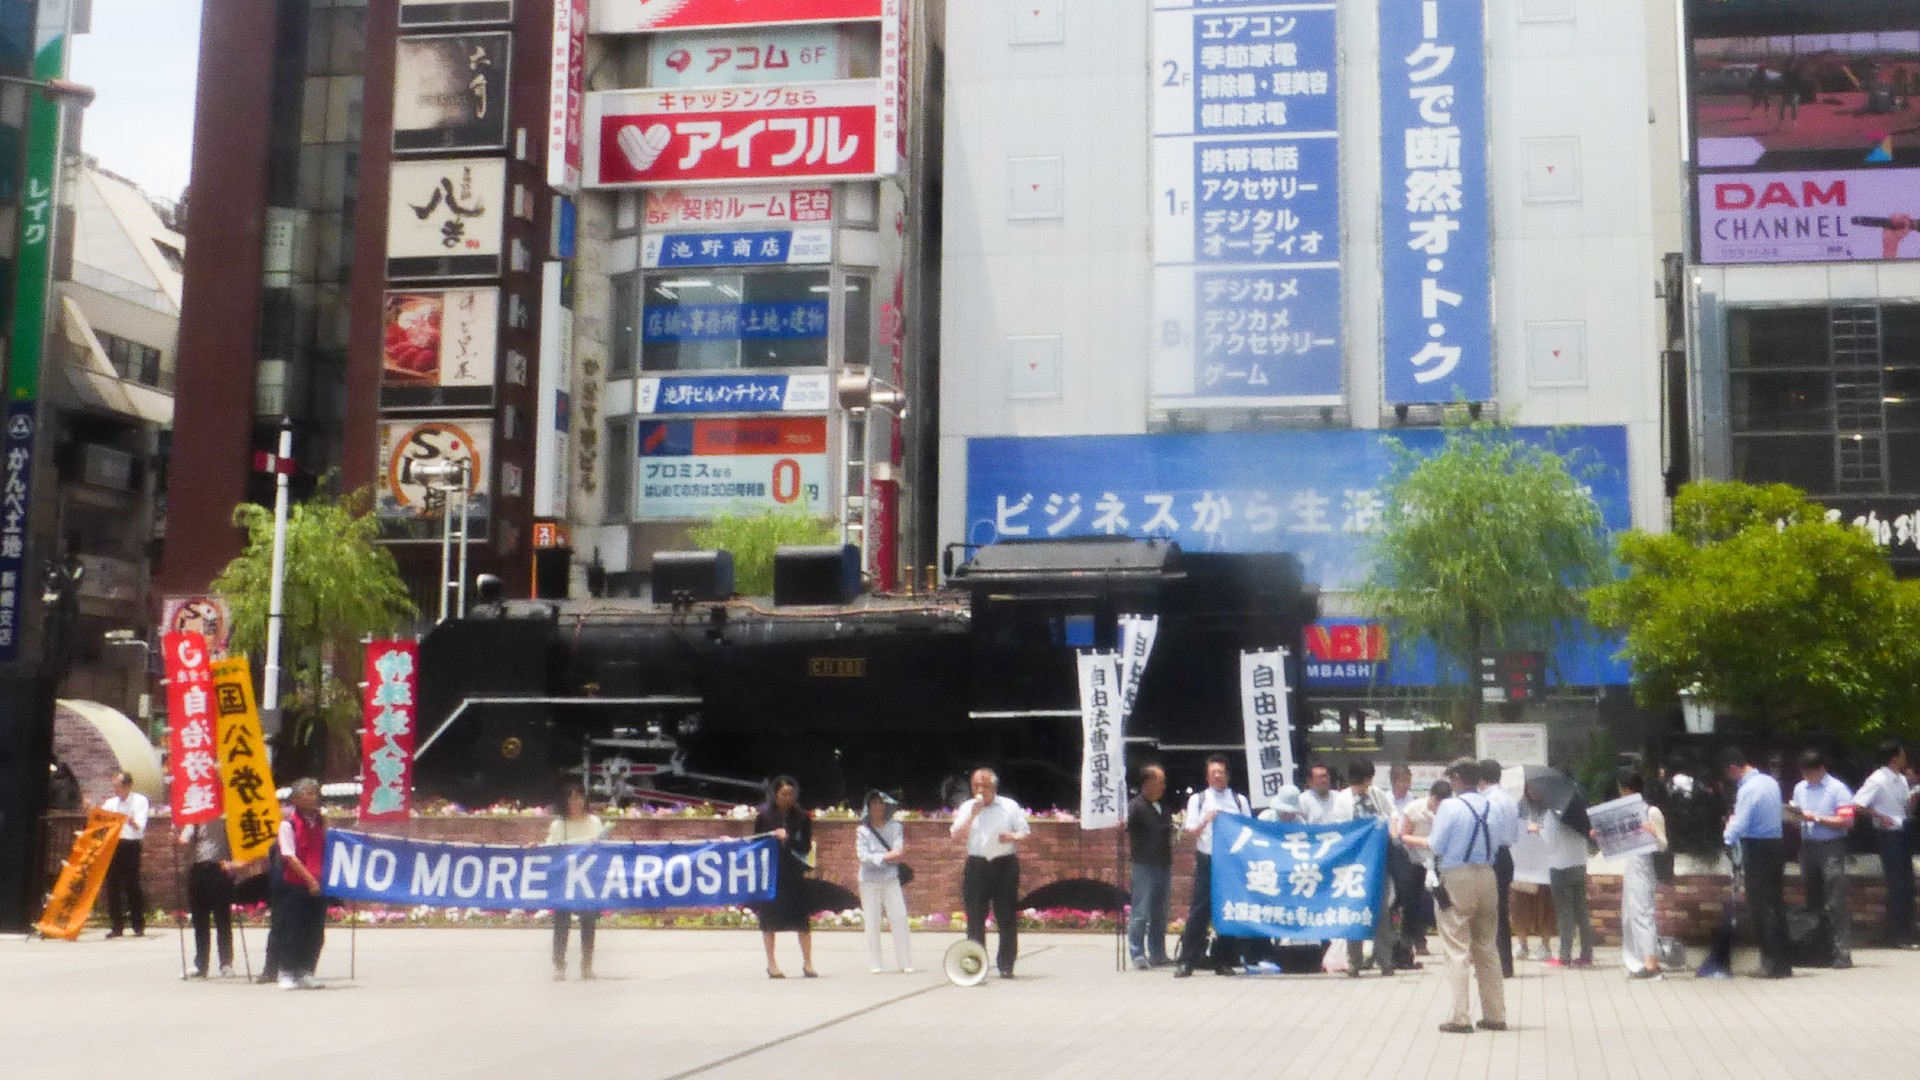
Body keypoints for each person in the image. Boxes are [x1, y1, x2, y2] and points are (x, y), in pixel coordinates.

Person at [1429, 760, 1508, 1034]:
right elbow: (1501, 841)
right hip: (1487, 873)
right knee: (1487, 946)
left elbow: (1436, 844)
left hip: (1457, 876)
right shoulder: (1492, 805)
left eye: (1451, 777)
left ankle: (1460, 1017)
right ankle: (1495, 1014)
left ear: (1459, 778)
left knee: (1456, 946)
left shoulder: (1450, 807)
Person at [1174, 754, 1251, 978]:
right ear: (1208, 777)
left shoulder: (1239, 800)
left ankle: (1223, 960)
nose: (1218, 776)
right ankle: (1186, 960)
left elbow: (1249, 830)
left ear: (1227, 774)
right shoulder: (1198, 799)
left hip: (1232, 861)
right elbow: (1190, 832)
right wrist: (1206, 819)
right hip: (1208, 858)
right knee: (1200, 910)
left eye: (1221, 772)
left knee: (1228, 910)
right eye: (1213, 772)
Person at [950, 767, 1030, 978]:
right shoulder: (968, 807)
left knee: (1005, 916)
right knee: (975, 917)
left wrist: (1011, 836)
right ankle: (976, 964)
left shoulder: (1009, 806)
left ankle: (1006, 965)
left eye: (985, 785)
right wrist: (971, 816)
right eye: (976, 785)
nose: (980, 790)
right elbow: (955, 835)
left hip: (1004, 863)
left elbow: (1024, 832)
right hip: (977, 865)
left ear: (993, 786)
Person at [1722, 748, 1791, 978]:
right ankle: (1782, 962)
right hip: (1775, 844)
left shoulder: (1748, 789)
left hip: (1758, 848)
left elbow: (1741, 822)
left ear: (1733, 768)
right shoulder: (1769, 782)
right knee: (1775, 904)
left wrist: (1727, 835)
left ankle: (1770, 964)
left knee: (1762, 907)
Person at [1787, 750, 1852, 968]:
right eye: (1804, 773)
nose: (1807, 777)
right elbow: (1799, 816)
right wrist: (1794, 817)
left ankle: (1841, 951)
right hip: (1808, 846)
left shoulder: (1837, 789)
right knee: (1812, 901)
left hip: (1831, 846)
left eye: (1810, 773)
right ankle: (1817, 949)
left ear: (1821, 769)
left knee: (1835, 901)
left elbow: (1846, 820)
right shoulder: (1800, 789)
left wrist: (1815, 817)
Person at [1851, 739, 1919, 949]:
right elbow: (1858, 804)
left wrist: (1912, 801)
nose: (1905, 758)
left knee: (1907, 883)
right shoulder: (1878, 779)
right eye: (1901, 754)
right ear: (1893, 758)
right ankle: (1897, 935)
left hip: (1902, 830)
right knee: (1897, 884)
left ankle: (1906, 931)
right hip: (1887, 834)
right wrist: (1879, 816)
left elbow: (1902, 806)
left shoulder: (1900, 779)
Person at [1333, 759, 1398, 977]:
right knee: (1355, 909)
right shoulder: (1343, 800)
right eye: (1363, 780)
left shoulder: (1377, 794)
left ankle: (1385, 960)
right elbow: (1342, 829)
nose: (1366, 784)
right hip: (1355, 863)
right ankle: (1354, 961)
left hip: (1379, 861)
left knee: (1381, 912)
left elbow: (1393, 814)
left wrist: (1393, 828)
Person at [753, 775, 816, 978]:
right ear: (775, 794)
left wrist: (788, 839)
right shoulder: (764, 816)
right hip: (772, 872)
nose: (788, 798)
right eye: (783, 794)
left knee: (802, 920)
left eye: (791, 794)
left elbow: (805, 846)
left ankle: (808, 963)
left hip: (794, 872)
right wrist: (772, 836)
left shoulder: (802, 817)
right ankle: (771, 964)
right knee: (769, 920)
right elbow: (756, 843)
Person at [270, 778, 328, 990]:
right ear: (295, 798)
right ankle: (286, 971)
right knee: (292, 929)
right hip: (295, 884)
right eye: (307, 793)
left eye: (314, 792)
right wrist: (309, 879)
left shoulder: (321, 821)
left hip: (318, 883)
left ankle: (306, 970)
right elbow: (289, 856)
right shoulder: (288, 824)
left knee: (314, 931)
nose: (312, 796)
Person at [1614, 770, 1669, 980]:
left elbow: (1663, 845)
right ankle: (1640, 958)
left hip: (1646, 868)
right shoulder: (1625, 813)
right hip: (1632, 867)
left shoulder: (1651, 812)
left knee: (1643, 913)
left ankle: (1651, 963)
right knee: (1630, 914)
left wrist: (1653, 832)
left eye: (1624, 791)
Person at [547, 786, 606, 980]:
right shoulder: (559, 825)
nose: (575, 802)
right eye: (571, 798)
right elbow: (549, 850)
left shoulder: (594, 822)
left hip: (587, 882)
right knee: (561, 922)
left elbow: (602, 850)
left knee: (588, 923)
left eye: (579, 798)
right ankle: (558, 964)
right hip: (564, 882)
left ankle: (586, 964)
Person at [856, 790, 913, 974]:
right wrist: (885, 857)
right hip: (868, 880)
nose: (878, 807)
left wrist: (879, 857)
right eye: (874, 803)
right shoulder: (862, 830)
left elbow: (899, 851)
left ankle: (905, 962)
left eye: (881, 803)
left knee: (899, 918)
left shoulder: (895, 826)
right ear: (868, 807)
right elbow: (862, 856)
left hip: (890, 878)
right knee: (872, 921)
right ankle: (875, 963)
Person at [1125, 764, 1174, 970]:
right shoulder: (1136, 806)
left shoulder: (1163, 807)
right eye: (1159, 781)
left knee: (1160, 912)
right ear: (1147, 783)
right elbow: (1126, 826)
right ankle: (1137, 952)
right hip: (1144, 865)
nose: (1163, 786)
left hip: (1163, 863)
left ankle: (1158, 952)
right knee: (1141, 910)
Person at [1395, 779, 1450, 959]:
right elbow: (1403, 835)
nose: (1438, 808)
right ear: (1432, 797)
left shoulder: (1450, 811)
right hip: (1416, 861)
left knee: (1444, 903)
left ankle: (1445, 943)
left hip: (1440, 862)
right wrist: (1425, 842)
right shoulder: (1414, 809)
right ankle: (1407, 945)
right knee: (1412, 904)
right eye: (1437, 804)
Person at [1542, 786, 1595, 968]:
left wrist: (1537, 829)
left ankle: (1565, 956)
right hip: (1579, 864)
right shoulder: (1581, 812)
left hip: (1560, 866)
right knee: (1582, 912)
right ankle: (1586, 954)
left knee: (1565, 914)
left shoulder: (1553, 813)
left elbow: (1550, 841)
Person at [1478, 759, 1522, 977]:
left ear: (1481, 779)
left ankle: (1495, 964)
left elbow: (1489, 833)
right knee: (1501, 910)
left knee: (1489, 912)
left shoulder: (1488, 802)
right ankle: (1505, 963)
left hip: (1492, 857)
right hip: (1506, 855)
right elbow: (1515, 833)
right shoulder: (1509, 800)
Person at [177, 820, 235, 978]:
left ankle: (226, 963)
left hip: (219, 868)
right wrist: (178, 838)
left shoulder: (225, 817)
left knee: (222, 918)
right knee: (200, 920)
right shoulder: (194, 820)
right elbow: (184, 839)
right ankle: (201, 965)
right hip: (198, 870)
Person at [100, 771, 149, 938]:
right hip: (113, 845)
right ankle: (116, 926)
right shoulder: (111, 802)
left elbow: (139, 826)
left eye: (118, 786)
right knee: (112, 885)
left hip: (130, 844)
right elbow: (101, 819)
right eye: (114, 786)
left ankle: (138, 924)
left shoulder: (139, 801)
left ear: (127, 786)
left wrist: (128, 819)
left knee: (132, 884)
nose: (116, 790)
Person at [1510, 789, 1557, 963]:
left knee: (1546, 909)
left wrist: (1539, 831)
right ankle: (1522, 944)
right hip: (1521, 867)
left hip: (1544, 869)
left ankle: (1545, 946)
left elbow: (1554, 836)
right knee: (1519, 908)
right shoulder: (1517, 808)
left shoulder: (1551, 810)